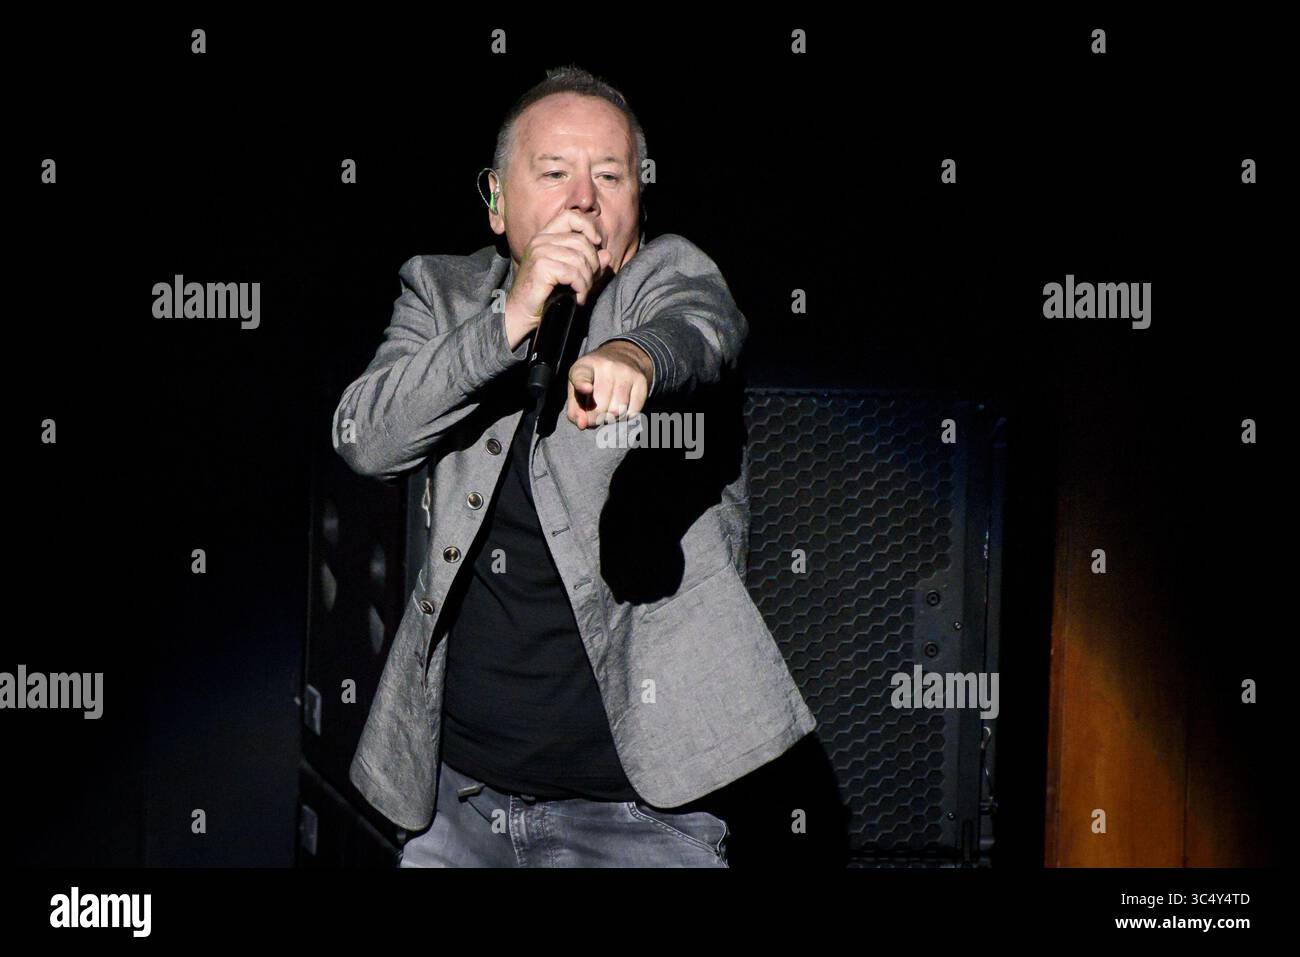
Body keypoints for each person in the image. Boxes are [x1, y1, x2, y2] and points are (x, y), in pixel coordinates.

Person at [332, 64, 816, 867]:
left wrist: (634, 355)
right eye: (554, 173)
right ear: (495, 199)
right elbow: (365, 436)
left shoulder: (666, 274)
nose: (583, 198)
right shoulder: (442, 292)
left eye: (610, 175)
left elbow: (699, 324)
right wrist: (510, 318)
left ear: (638, 204)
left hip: (640, 818)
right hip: (457, 808)